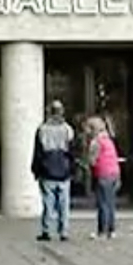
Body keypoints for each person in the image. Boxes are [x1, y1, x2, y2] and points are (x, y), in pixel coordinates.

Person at [31, 99, 75, 241]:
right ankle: (64, 231)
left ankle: (47, 230)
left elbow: (38, 153)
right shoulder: (68, 130)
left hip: (47, 170)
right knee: (64, 204)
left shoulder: (42, 129)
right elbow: (72, 152)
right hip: (64, 171)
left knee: (48, 203)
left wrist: (35, 170)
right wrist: (72, 169)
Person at [86, 115, 121, 239]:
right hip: (114, 173)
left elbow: (92, 160)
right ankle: (111, 230)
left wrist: (88, 165)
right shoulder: (108, 140)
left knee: (103, 204)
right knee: (110, 203)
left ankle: (102, 231)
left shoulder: (96, 142)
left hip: (103, 174)